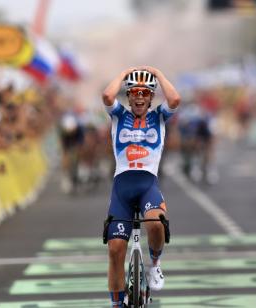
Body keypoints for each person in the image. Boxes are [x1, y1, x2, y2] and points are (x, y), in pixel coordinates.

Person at [101, 67, 181, 308]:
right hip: (122, 187)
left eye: (144, 93)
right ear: (128, 95)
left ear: (151, 97)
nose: (139, 97)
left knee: (157, 223)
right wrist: (125, 73)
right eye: (134, 92)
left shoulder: (159, 115)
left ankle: (155, 265)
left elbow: (175, 99)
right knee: (115, 250)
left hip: (147, 184)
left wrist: (157, 73)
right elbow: (107, 96)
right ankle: (117, 304)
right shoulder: (118, 115)